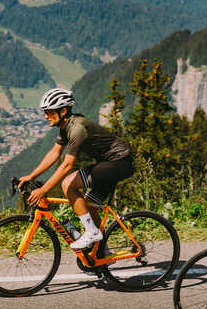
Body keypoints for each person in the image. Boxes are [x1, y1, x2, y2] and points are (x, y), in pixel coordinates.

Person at [18, 88, 134, 251]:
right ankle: (101, 252)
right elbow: (55, 153)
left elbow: (67, 165)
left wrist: (43, 190)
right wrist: (31, 176)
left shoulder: (77, 129)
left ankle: (92, 232)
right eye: (45, 112)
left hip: (119, 162)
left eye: (50, 112)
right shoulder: (66, 126)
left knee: (68, 185)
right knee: (90, 206)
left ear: (63, 110)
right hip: (109, 164)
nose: (46, 116)